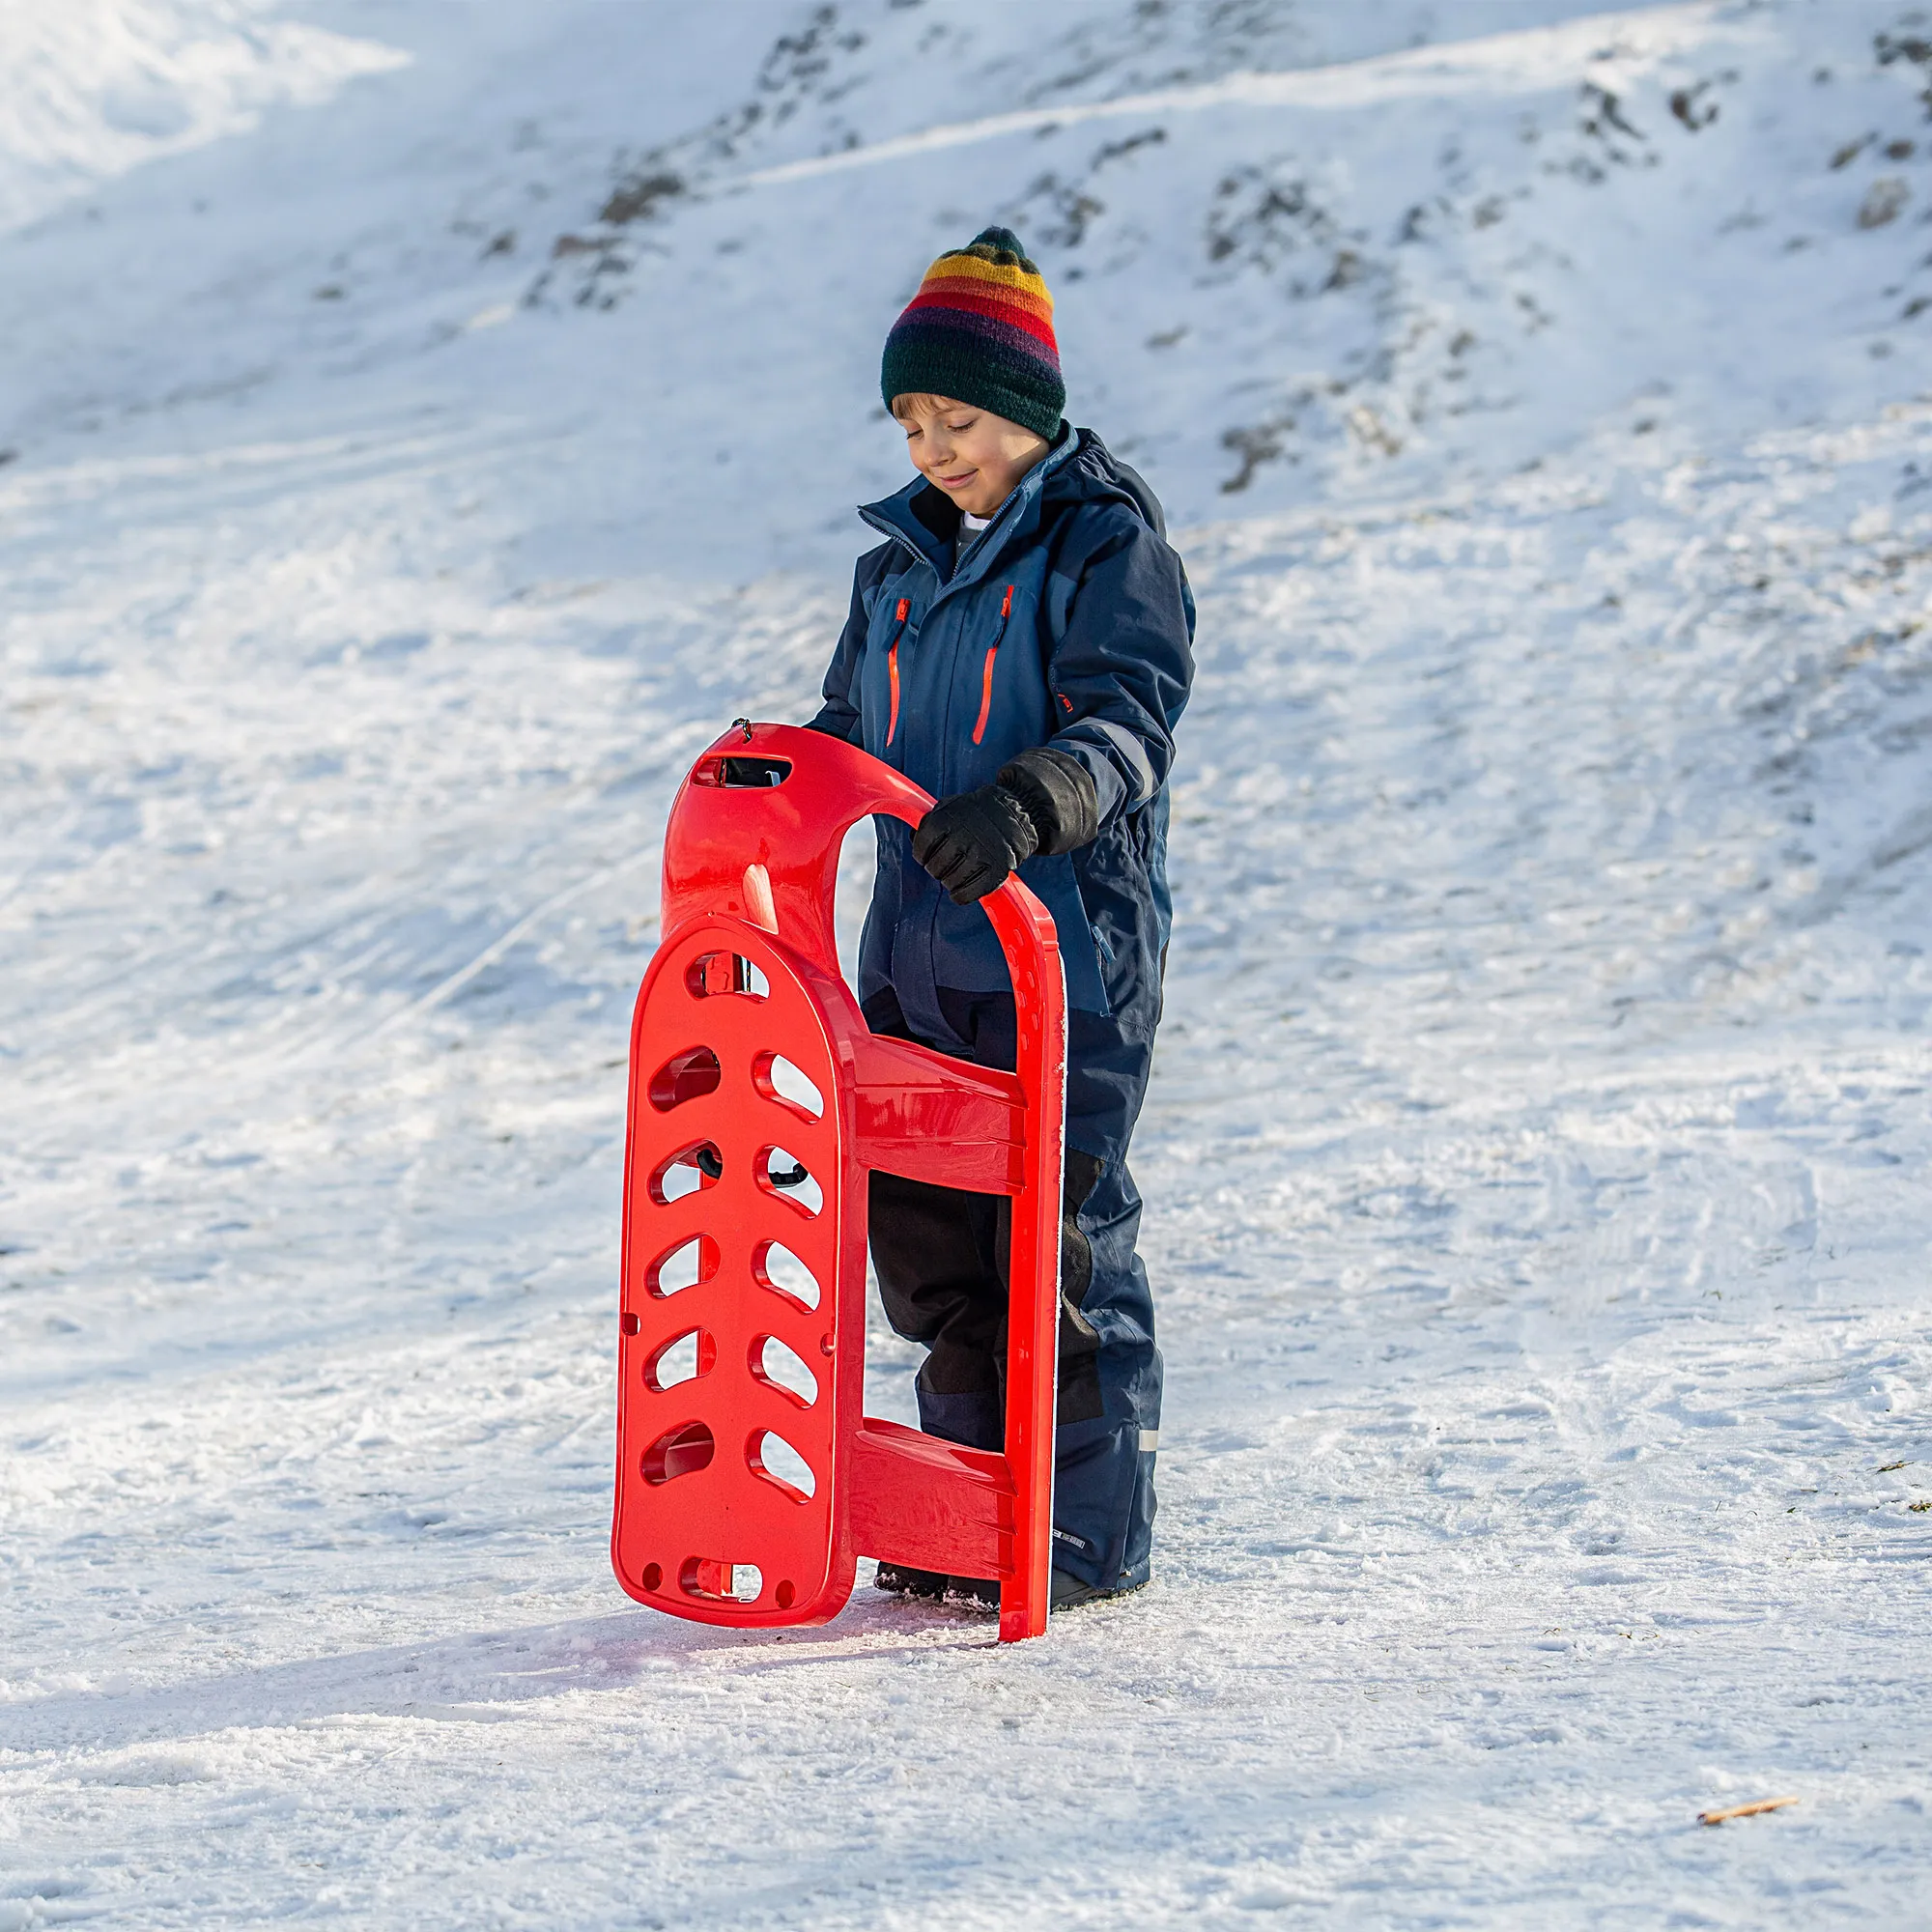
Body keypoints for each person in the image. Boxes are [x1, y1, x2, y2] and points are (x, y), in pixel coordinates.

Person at [807, 226, 1194, 1607]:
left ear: (1026, 409)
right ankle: (958, 1522)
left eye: (957, 419)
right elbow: (852, 730)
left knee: (1057, 1244)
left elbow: (1130, 726)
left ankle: (1079, 1534)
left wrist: (1028, 805)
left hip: (1060, 960)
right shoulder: (896, 568)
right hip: (916, 962)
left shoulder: (1104, 545)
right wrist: (784, 770)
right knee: (930, 1254)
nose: (933, 449)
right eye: (911, 423)